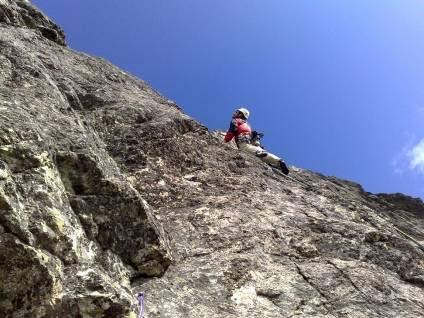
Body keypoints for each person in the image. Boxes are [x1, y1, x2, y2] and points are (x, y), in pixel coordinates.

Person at [224, 107, 289, 175]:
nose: (234, 113)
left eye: (236, 112)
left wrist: (226, 139)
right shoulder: (246, 124)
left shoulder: (236, 120)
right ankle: (276, 161)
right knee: (255, 148)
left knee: (246, 148)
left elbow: (232, 130)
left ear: (240, 114)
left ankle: (260, 153)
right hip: (250, 138)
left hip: (243, 139)